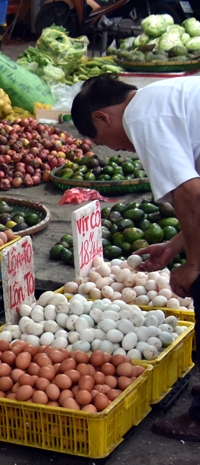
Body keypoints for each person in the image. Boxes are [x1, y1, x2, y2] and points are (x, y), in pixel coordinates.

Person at [71, 76, 200, 440]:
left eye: (101, 141)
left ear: (102, 118)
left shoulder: (141, 117)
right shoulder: (160, 100)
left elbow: (190, 193)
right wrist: (175, 246)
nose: (116, 150)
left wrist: (193, 264)